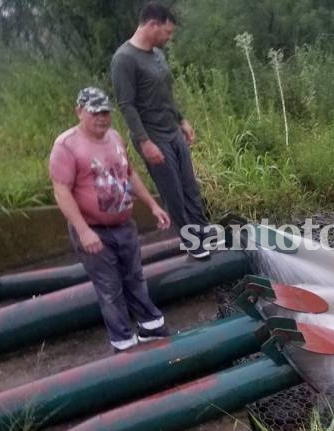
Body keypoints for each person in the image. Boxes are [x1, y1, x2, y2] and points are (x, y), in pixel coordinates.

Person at [50, 86, 173, 352]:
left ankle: (151, 328)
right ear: (80, 111)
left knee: (135, 277)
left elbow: (129, 174)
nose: (102, 118)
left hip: (124, 226)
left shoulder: (115, 137)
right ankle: (124, 345)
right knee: (110, 287)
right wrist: (83, 231)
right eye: (95, 113)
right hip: (94, 231)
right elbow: (61, 191)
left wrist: (153, 205)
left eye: (105, 112)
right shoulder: (67, 146)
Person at [111, 1, 213, 259]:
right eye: (167, 33)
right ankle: (191, 242)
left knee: (190, 187)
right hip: (152, 137)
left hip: (172, 130)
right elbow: (126, 104)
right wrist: (144, 142)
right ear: (152, 25)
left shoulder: (157, 55)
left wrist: (182, 120)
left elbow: (165, 95)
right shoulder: (124, 59)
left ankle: (203, 232)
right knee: (173, 193)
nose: (169, 38)